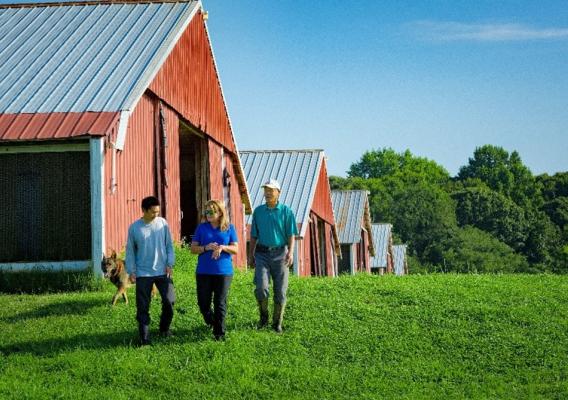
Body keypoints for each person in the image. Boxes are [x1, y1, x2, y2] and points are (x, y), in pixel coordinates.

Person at [249, 179, 298, 333]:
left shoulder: (286, 211)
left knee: (280, 291)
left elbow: (291, 235)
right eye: (266, 190)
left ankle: (277, 323)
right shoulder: (258, 211)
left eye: (271, 190)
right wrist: (251, 255)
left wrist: (291, 252)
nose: (268, 193)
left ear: (278, 192)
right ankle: (264, 318)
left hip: (280, 254)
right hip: (262, 253)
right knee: (261, 288)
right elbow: (253, 236)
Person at [125, 196, 176, 346]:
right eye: (153, 212)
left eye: (158, 212)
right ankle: (145, 339)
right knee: (143, 307)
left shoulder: (163, 224)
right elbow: (130, 252)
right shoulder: (135, 228)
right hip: (143, 273)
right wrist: (131, 271)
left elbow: (169, 246)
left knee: (170, 301)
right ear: (144, 210)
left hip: (162, 271)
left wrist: (169, 263)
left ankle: (164, 329)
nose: (156, 215)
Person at [191, 200, 238, 341]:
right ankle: (212, 321)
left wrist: (223, 247)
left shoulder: (229, 228)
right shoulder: (201, 228)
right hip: (204, 271)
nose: (209, 214)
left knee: (220, 302)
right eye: (207, 212)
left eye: (212, 211)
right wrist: (206, 247)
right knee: (203, 303)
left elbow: (236, 249)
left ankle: (219, 334)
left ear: (220, 212)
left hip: (223, 272)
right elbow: (193, 249)